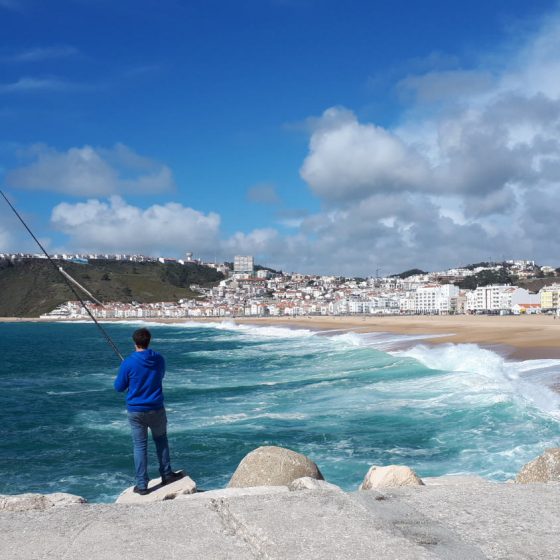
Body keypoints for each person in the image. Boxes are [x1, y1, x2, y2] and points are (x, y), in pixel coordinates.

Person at [114, 327, 183, 495]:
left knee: (140, 446)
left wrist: (128, 375)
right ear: (149, 341)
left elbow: (119, 387)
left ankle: (142, 485)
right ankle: (166, 474)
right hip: (156, 408)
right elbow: (160, 376)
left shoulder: (128, 362)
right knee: (161, 441)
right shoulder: (159, 359)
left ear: (134, 342)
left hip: (136, 411)